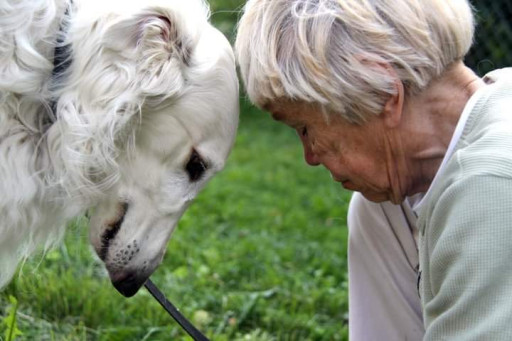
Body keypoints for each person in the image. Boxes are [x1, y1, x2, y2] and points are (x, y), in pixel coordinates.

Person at [235, 0, 512, 339]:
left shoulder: (492, 183)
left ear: (385, 93)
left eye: (304, 127)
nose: (309, 156)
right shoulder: (389, 206)